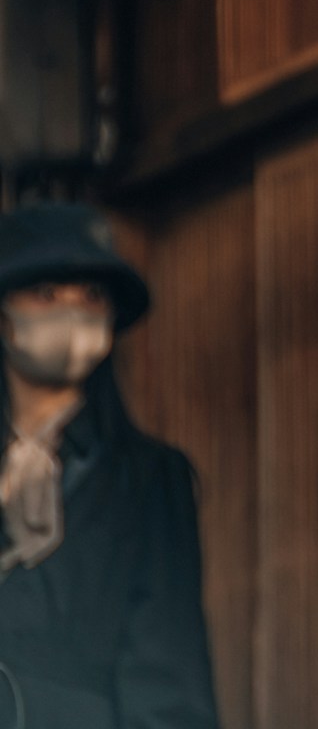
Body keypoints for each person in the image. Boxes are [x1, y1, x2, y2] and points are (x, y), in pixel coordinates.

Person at [0, 202, 218, 729]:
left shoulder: (147, 480)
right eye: (47, 294)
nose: (70, 313)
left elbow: (169, 679)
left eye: (92, 298)